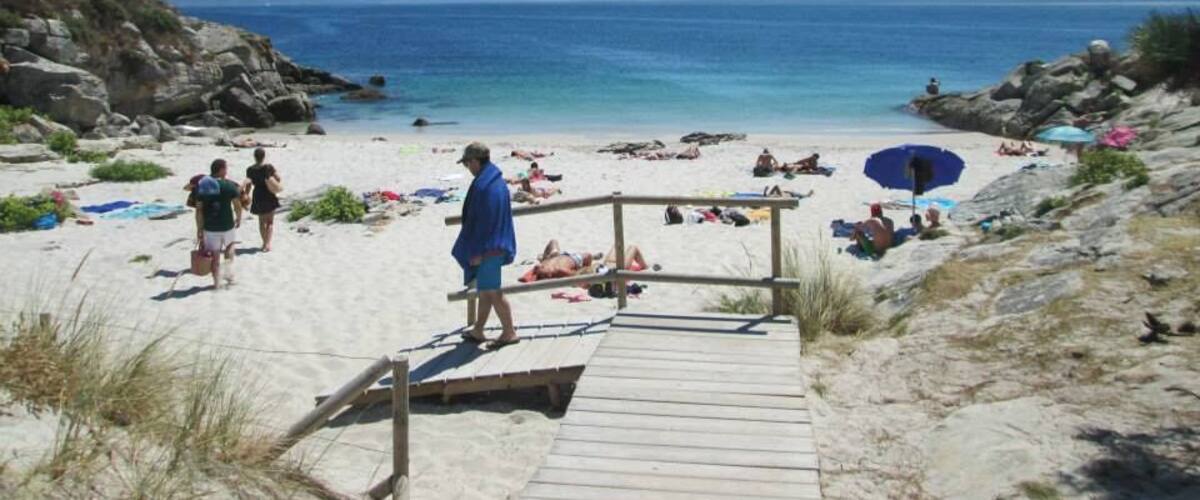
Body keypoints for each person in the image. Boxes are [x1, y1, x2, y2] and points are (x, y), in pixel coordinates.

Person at [452, 142, 519, 349]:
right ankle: (478, 329)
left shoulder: (484, 186)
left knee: (493, 292)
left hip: (490, 248)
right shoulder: (495, 181)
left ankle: (509, 332)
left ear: (474, 161)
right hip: (496, 245)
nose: (467, 168)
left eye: (467, 164)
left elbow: (486, 222)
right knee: (485, 290)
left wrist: (480, 253)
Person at [196, 159, 243, 290]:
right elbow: (237, 205)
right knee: (230, 246)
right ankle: (229, 274)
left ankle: (216, 283)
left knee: (214, 255)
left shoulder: (203, 185)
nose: (227, 171)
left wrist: (199, 228)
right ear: (221, 169)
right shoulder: (228, 185)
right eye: (226, 168)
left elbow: (199, 209)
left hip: (210, 226)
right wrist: (239, 218)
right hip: (227, 223)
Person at [243, 148, 282, 252]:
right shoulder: (268, 167)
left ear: (254, 157)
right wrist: (273, 182)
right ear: (264, 156)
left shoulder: (250, 170)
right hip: (268, 193)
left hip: (258, 194)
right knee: (270, 222)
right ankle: (268, 244)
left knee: (261, 222)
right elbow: (278, 178)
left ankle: (264, 243)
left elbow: (249, 185)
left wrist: (246, 195)